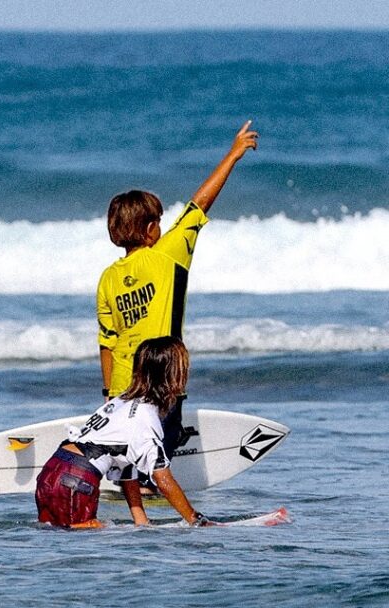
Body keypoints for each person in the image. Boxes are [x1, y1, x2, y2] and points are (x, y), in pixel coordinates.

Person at [97, 120, 258, 464]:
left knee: (134, 453)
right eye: (158, 220)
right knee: (159, 455)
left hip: (122, 385)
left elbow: (107, 342)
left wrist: (108, 395)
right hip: (161, 381)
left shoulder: (108, 278)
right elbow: (200, 204)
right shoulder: (168, 255)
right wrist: (233, 154)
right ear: (151, 229)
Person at [36, 337, 211, 528]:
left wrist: (140, 519)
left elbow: (126, 466)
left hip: (52, 472)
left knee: (58, 536)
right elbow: (162, 479)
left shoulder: (120, 402)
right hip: (75, 481)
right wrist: (196, 520)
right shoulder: (145, 418)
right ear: (172, 374)